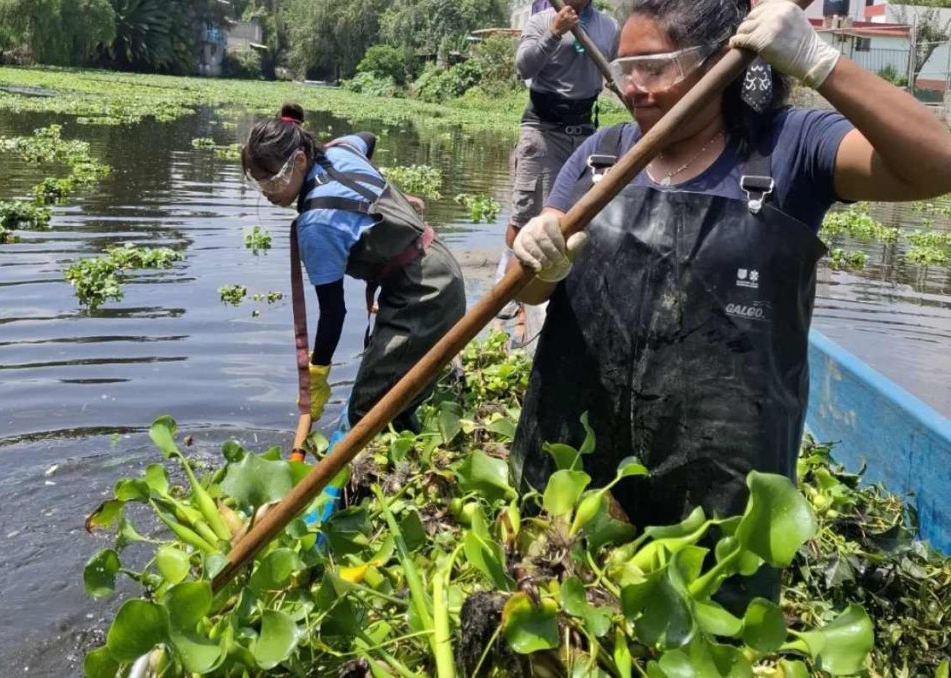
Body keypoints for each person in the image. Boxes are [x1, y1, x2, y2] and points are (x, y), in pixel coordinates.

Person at [508, 0, 951, 603]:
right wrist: (536, 259)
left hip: (718, 499)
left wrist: (823, 64)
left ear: (721, 62)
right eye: (624, 68)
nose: (632, 88)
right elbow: (528, 287)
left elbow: (938, 165)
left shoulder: (789, 150)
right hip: (580, 483)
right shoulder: (599, 158)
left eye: (655, 67)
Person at [241, 103, 466, 433]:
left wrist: (318, 372)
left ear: (301, 160)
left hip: (422, 294)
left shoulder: (315, 225)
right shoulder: (343, 149)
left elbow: (333, 312)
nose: (268, 194)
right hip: (439, 265)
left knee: (365, 413)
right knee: (399, 401)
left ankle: (331, 485)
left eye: (273, 181)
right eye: (259, 184)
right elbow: (368, 137)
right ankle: (413, 460)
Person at [498, 0, 619, 343]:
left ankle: (550, 293)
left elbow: (619, 66)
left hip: (582, 130)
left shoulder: (608, 27)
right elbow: (523, 67)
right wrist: (554, 33)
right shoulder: (541, 21)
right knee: (523, 218)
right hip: (542, 129)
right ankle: (514, 296)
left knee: (569, 217)